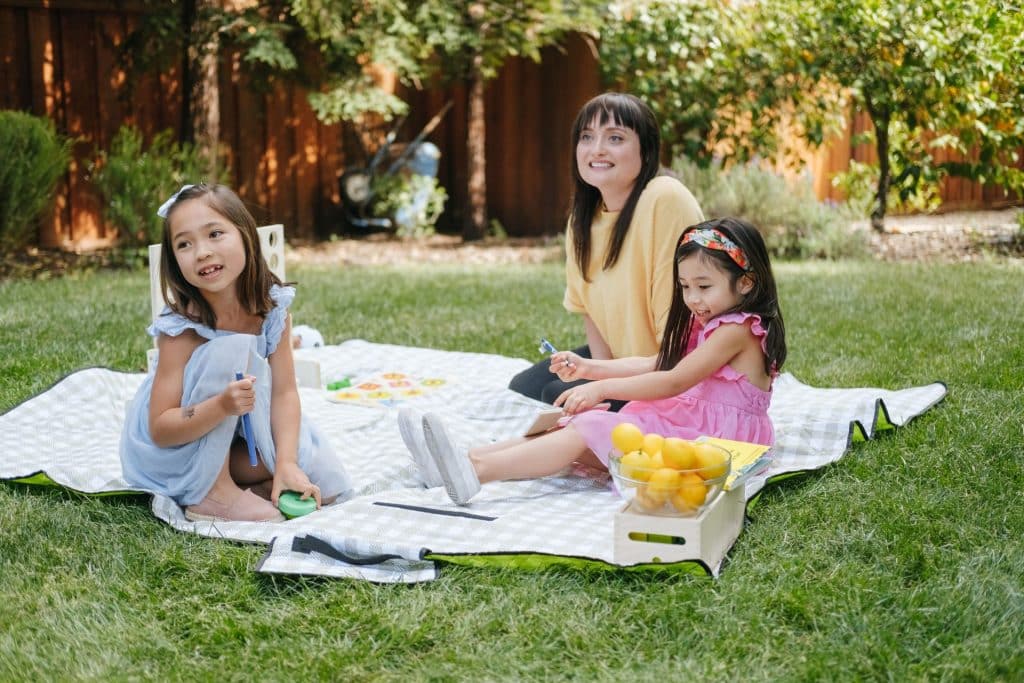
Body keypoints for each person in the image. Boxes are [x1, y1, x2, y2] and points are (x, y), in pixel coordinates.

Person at [400, 218, 786, 505]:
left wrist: (600, 388)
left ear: (746, 283)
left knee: (591, 425)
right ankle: (463, 460)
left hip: (719, 445)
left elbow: (672, 382)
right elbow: (658, 363)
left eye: (704, 287)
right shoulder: (712, 323)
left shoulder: (739, 331)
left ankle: (476, 473)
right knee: (580, 429)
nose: (692, 298)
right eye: (685, 287)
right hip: (692, 425)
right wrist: (589, 369)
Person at [120, 183, 351, 522]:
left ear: (245, 235)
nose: (202, 252)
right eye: (184, 243)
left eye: (215, 234)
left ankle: (260, 480)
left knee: (327, 481)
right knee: (228, 350)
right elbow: (161, 428)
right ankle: (212, 492)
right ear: (174, 260)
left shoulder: (271, 309)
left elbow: (285, 393)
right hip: (173, 448)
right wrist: (220, 407)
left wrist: (286, 462)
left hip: (236, 431)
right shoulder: (182, 329)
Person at [508, 92, 704, 406]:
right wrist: (601, 373)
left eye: (615, 138)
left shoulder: (665, 199)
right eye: (587, 136)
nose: (597, 149)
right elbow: (589, 310)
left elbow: (683, 333)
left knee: (554, 395)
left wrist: (606, 387)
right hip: (623, 361)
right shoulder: (581, 221)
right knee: (524, 387)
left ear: (646, 150)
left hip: (673, 370)